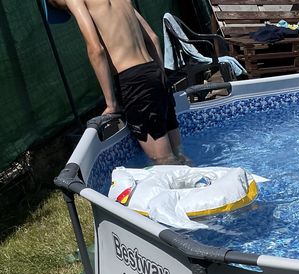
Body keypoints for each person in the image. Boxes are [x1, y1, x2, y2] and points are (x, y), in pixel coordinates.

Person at [43, 0, 190, 165]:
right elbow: (153, 39)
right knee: (180, 156)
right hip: (156, 73)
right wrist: (160, 80)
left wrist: (111, 104)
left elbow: (96, 50)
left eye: (62, 8)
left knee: (164, 162)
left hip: (135, 83)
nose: (68, 11)